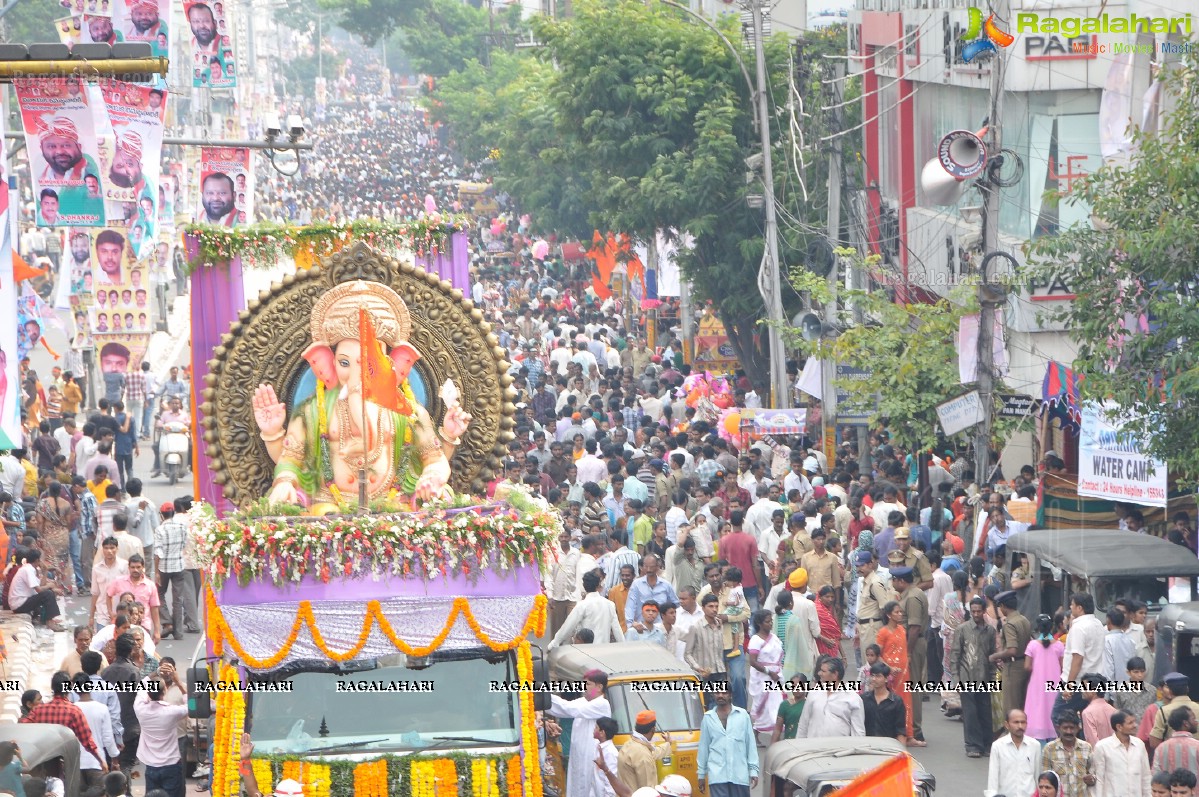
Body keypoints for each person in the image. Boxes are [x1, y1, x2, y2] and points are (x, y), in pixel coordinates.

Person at [19, 671, 106, 768]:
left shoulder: (39, 710)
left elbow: (23, 726)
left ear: (52, 687)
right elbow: (87, 741)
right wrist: (100, 760)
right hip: (66, 765)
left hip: (43, 763)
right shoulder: (74, 711)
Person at [547, 670, 611, 797]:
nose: (584, 688)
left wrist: (542, 693)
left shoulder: (602, 704)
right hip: (578, 758)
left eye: (588, 684)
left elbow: (569, 709)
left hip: (591, 759)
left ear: (599, 687)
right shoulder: (583, 702)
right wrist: (540, 697)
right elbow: (562, 708)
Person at [953, 596, 998, 758]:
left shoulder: (990, 631)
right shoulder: (962, 629)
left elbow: (992, 656)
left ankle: (986, 744)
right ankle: (972, 745)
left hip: (985, 677)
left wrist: (993, 679)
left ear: (984, 611)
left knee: (985, 712)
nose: (976, 614)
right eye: (973, 611)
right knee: (970, 713)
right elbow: (955, 656)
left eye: (979, 611)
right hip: (966, 677)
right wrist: (956, 679)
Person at [696, 682, 759, 797]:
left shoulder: (743, 715)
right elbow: (703, 748)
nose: (720, 695)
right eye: (717, 692)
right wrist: (701, 774)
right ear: (713, 695)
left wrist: (753, 770)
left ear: (730, 695)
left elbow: (750, 745)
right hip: (717, 776)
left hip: (739, 775)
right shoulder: (708, 718)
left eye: (724, 692)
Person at [134, 674, 188, 797]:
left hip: (151, 767)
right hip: (171, 765)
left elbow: (141, 688)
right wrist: (179, 683)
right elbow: (192, 706)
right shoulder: (172, 712)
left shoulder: (140, 709)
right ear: (164, 691)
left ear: (148, 693)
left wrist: (155, 673)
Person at [72, 672, 119, 792]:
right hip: (97, 762)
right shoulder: (102, 709)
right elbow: (108, 738)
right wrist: (115, 760)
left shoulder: (72, 710)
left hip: (76, 764)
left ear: (74, 689)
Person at [796, 657, 865, 738]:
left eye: (823, 671)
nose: (819, 673)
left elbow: (858, 732)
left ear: (835, 674)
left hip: (840, 749)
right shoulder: (813, 693)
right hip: (813, 748)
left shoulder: (853, 699)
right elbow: (803, 724)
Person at [1026, 613, 1066, 742]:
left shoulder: (1032, 645)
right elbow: (1063, 666)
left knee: (1037, 707)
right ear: (1052, 626)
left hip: (1037, 683)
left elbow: (1027, 666)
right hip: (1054, 683)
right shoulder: (1059, 645)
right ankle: (1053, 733)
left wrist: (1038, 669)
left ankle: (1038, 735)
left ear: (1038, 627)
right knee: (1053, 706)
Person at [992, 589, 1032, 716]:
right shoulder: (1024, 619)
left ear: (1003, 606)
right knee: (1022, 703)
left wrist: (995, 656)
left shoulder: (1009, 624)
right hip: (1025, 664)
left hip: (1013, 668)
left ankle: (1011, 733)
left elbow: (1012, 650)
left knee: (1010, 706)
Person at [1093, 710, 1151, 797]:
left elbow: (1146, 776)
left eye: (1134, 722)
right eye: (1130, 723)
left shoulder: (1139, 745)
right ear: (1119, 727)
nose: (1135, 725)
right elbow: (1099, 780)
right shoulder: (1102, 747)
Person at [1039, 710, 1095, 797]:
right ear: (1058, 728)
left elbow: (1093, 773)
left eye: (1072, 728)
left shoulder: (1086, 747)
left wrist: (1091, 779)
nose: (1069, 731)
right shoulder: (1049, 749)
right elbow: (1045, 780)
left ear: (1078, 728)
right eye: (1065, 728)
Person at [986, 709, 1041, 797]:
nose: (1020, 726)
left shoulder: (1035, 745)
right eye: (1016, 722)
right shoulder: (998, 746)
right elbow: (993, 777)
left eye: (1023, 722)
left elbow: (1038, 776)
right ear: (1007, 725)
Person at [746, 609, 782, 739]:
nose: (770, 623)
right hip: (762, 678)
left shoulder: (774, 638)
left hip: (775, 677)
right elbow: (753, 662)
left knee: (776, 705)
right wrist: (769, 672)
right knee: (763, 706)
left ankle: (776, 734)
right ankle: (755, 733)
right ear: (760, 624)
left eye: (771, 621)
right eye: (767, 621)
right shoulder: (755, 640)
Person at [8, 548, 65, 630]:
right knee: (48, 594)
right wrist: (50, 587)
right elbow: (39, 590)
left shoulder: (29, 569)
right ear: (37, 560)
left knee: (48, 592)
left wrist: (45, 571)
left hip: (21, 602)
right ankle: (50, 623)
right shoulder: (28, 570)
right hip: (19, 604)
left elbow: (41, 585)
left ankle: (47, 619)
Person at [616, 710, 670, 791]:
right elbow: (648, 791)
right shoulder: (643, 754)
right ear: (653, 729)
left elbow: (654, 753)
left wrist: (668, 744)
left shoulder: (629, 745)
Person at [862, 660, 907, 743]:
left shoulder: (896, 702)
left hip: (888, 746)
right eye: (872, 676)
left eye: (878, 676)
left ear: (886, 679)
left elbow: (900, 730)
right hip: (867, 746)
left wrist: (902, 752)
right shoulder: (863, 699)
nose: (874, 679)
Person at [1151, 707, 1199, 775]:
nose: (1196, 722)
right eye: (1193, 719)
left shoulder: (1161, 748)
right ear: (1186, 723)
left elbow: (1156, 775)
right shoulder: (1197, 746)